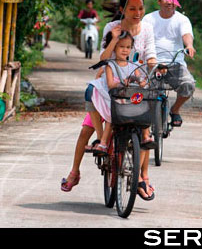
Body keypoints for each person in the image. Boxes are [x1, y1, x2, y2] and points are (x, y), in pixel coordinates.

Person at [60, 30, 143, 192]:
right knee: (85, 131)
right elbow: (104, 61)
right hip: (102, 99)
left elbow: (141, 80)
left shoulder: (134, 64)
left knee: (139, 129)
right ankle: (75, 171)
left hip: (122, 101)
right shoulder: (113, 33)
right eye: (121, 46)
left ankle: (139, 178)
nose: (125, 50)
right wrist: (115, 38)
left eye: (128, 47)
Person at [96, 0, 158, 200]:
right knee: (95, 107)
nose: (137, 12)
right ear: (122, 9)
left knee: (146, 117)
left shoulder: (147, 29)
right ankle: (102, 144)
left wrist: (155, 67)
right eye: (132, 8)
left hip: (137, 81)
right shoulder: (111, 28)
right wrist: (113, 41)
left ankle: (142, 176)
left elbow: (151, 54)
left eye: (141, 8)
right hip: (112, 80)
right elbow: (103, 57)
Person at [142, 0, 196, 127]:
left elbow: (186, 34)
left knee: (188, 85)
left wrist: (189, 45)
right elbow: (142, 38)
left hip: (175, 64)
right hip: (153, 63)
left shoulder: (182, 20)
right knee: (145, 91)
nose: (169, 2)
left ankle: (175, 109)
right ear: (159, 1)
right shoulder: (148, 19)